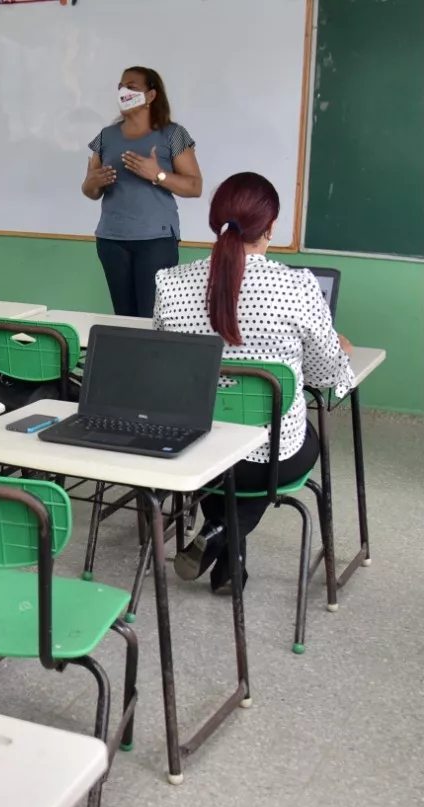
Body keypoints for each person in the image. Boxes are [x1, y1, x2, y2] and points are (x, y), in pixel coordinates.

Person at [155, 172, 354, 593]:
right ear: (271, 227)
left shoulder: (169, 284)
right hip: (268, 460)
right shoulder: (296, 286)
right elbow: (324, 377)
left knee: (222, 448)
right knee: (304, 438)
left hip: (194, 453)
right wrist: (333, 347)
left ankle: (223, 548)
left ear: (215, 221)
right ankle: (220, 535)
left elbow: (166, 366)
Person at [83, 67, 203, 318]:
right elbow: (90, 191)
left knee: (152, 316)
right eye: (120, 87)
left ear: (151, 95)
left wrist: (157, 175)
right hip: (112, 239)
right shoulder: (106, 136)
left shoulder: (173, 134)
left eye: (132, 87)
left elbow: (195, 186)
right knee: (124, 317)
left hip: (156, 240)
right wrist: (93, 182)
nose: (123, 92)